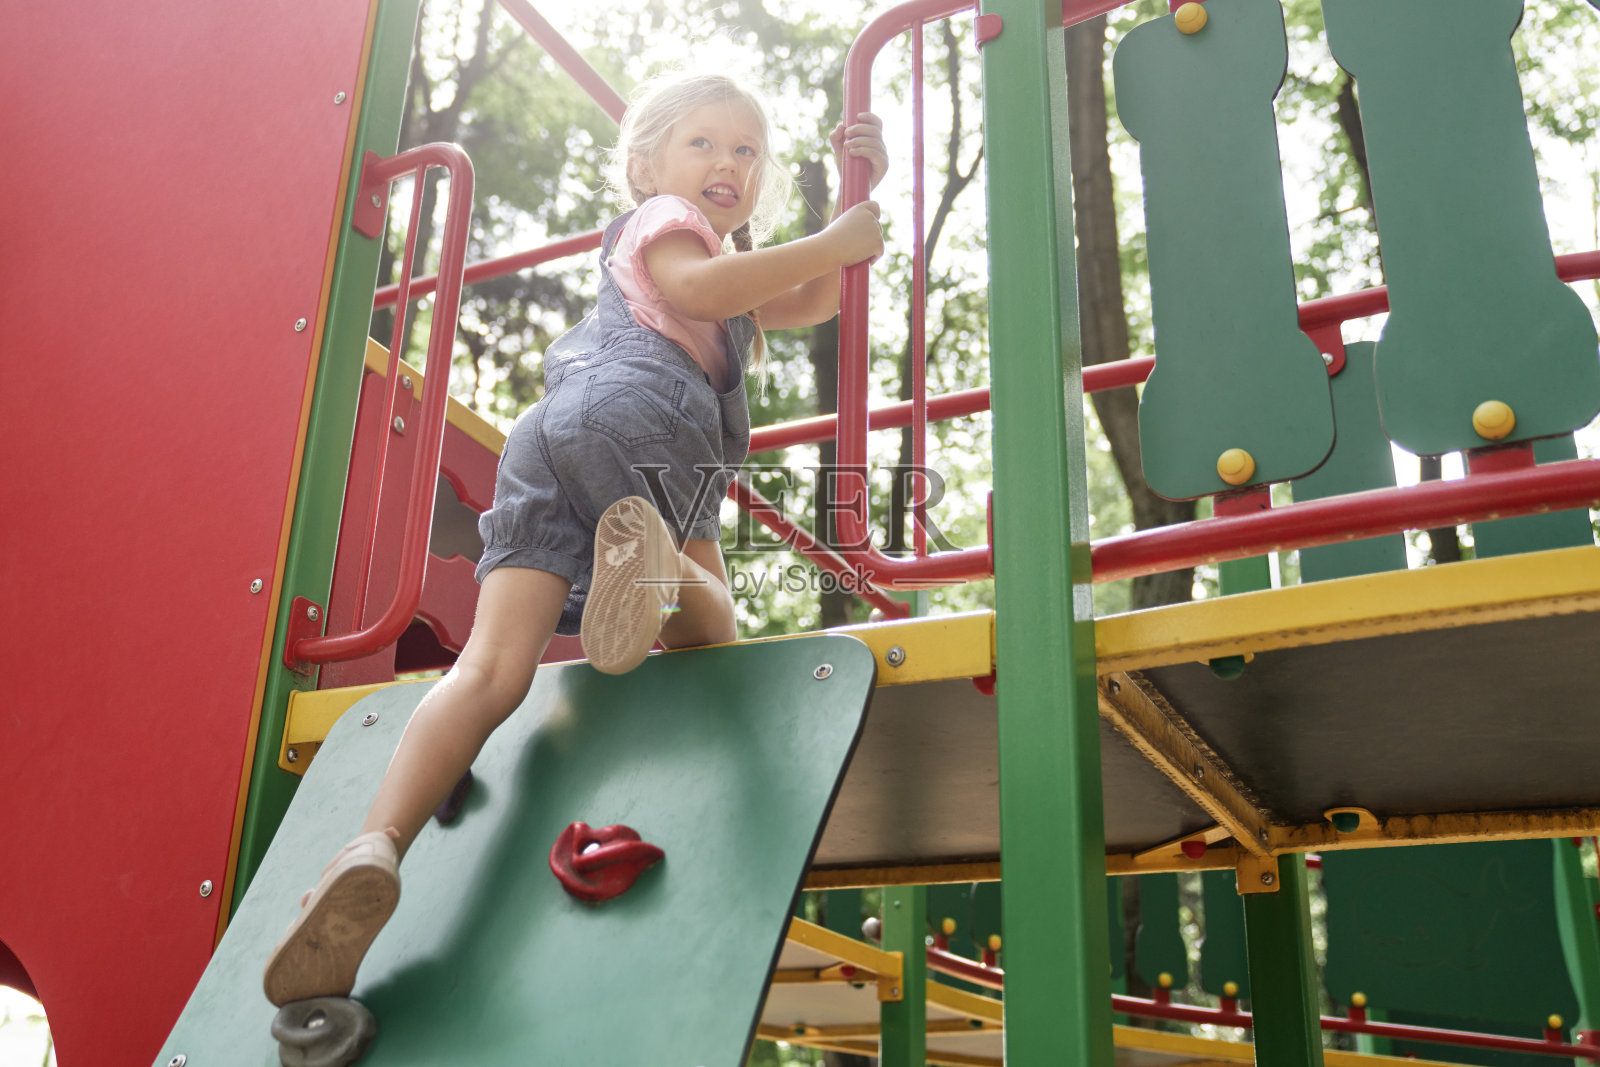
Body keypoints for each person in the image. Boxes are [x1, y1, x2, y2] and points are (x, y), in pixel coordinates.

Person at [261, 69, 888, 1007]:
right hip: (645, 422)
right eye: (704, 143)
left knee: (487, 671)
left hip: (552, 435)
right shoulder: (664, 228)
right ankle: (656, 565)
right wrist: (836, 236)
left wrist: (859, 197)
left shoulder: (728, 280)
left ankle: (373, 844)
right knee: (713, 638)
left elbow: (815, 296)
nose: (728, 162)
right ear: (645, 169)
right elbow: (710, 283)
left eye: (747, 150)